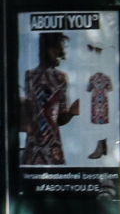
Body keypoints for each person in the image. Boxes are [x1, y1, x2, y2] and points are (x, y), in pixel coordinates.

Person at [20, 32, 80, 165]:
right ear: (46, 48)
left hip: (50, 147)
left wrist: (71, 112)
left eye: (58, 49)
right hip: (36, 146)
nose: (58, 53)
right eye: (55, 48)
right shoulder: (29, 76)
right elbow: (28, 112)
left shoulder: (60, 79)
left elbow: (60, 119)